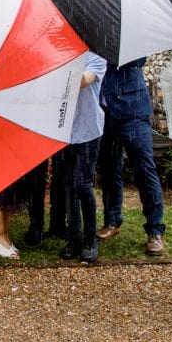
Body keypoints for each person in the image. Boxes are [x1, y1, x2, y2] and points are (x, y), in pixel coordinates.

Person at [96, 59, 167, 256]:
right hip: (103, 112)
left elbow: (138, 60)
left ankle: (155, 231)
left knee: (144, 170)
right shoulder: (91, 31)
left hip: (132, 110)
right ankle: (112, 221)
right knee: (109, 169)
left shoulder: (128, 31)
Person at [55, 52, 107, 263]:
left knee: (82, 184)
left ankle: (89, 239)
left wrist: (59, 69)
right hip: (63, 129)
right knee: (67, 185)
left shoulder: (97, 57)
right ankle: (74, 237)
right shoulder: (63, 53)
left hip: (88, 129)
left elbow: (84, 80)